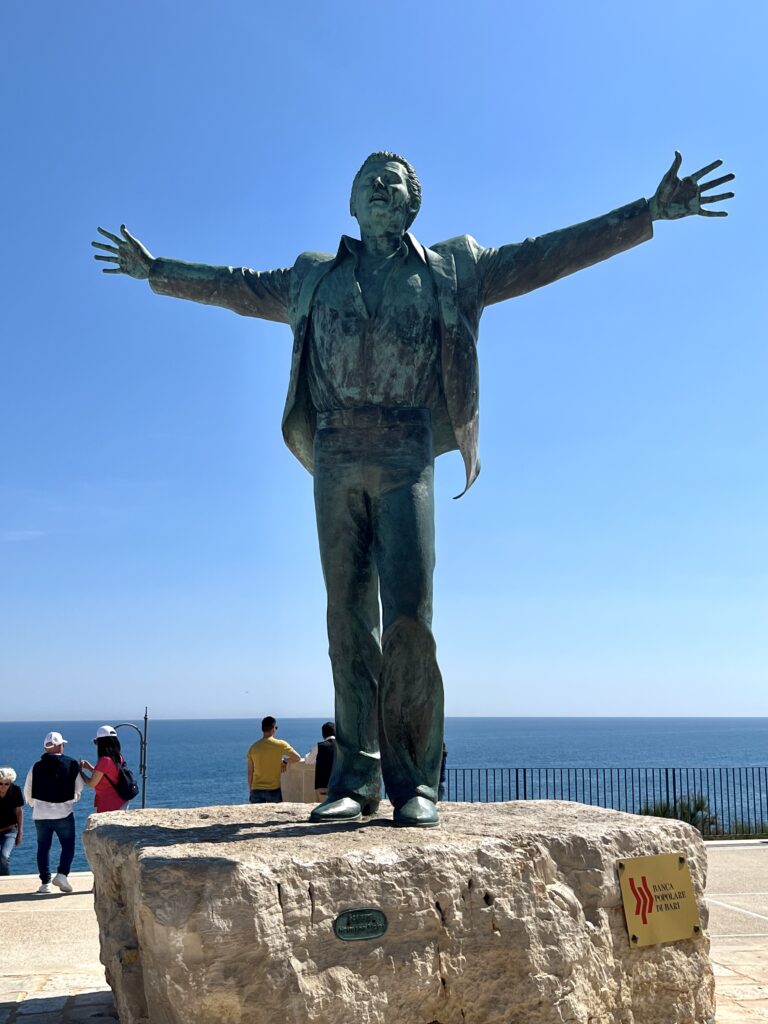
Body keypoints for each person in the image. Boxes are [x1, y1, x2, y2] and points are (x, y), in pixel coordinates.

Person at [94, 149, 734, 829]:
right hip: (335, 453)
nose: (376, 187)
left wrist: (645, 214)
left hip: (405, 451)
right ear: (350, 203)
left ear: (411, 205)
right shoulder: (314, 277)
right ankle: (356, 777)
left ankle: (414, 783)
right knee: (346, 620)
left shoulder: (455, 268)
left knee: (409, 622)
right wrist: (157, 271)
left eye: (390, 182)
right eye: (365, 182)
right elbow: (238, 286)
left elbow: (548, 254)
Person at [23, 731, 83, 894]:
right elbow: (79, 787)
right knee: (68, 846)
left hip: (41, 815)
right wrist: (73, 799)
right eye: (62, 744)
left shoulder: (36, 766)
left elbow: (27, 788)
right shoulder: (71, 763)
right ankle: (62, 875)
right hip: (63, 813)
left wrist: (34, 804)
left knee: (43, 848)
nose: (63, 746)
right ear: (58, 745)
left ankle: (45, 883)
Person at [246, 717, 301, 804]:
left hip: (256, 790)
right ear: (273, 728)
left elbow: (250, 772)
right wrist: (285, 761)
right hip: (273, 790)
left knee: (259, 817)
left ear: (262, 729)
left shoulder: (253, 748)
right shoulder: (280, 744)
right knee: (276, 816)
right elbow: (297, 757)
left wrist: (250, 790)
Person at [79, 725, 129, 812]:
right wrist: (90, 768)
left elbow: (91, 783)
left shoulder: (105, 760)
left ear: (102, 743)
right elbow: (107, 775)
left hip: (110, 804)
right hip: (121, 801)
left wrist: (80, 772)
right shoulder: (118, 757)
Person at [0, 767, 24, 875]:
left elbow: (19, 811)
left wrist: (20, 833)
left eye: (6, 784)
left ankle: (5, 881)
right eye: (0, 783)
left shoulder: (15, 790)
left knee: (4, 856)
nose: (3, 787)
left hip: (9, 830)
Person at [304, 722, 336, 802]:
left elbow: (308, 761)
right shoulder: (343, 747)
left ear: (323, 734)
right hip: (339, 787)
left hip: (323, 787)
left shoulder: (320, 746)